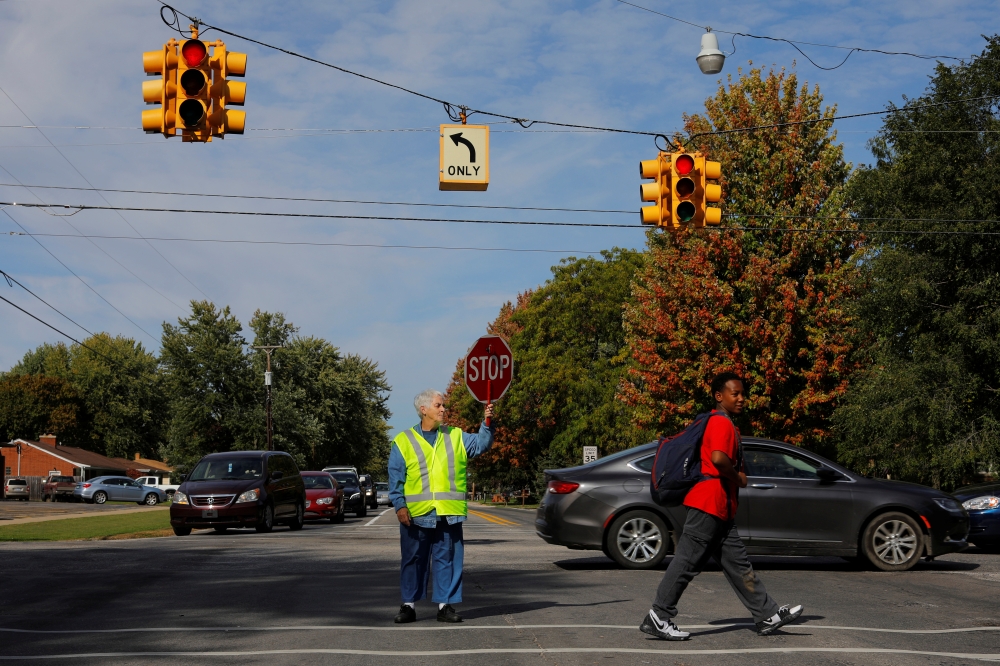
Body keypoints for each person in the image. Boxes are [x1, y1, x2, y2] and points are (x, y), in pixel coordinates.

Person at [640, 372, 803, 640]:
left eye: (742, 393)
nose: (741, 398)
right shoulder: (721, 423)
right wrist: (738, 477)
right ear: (719, 396)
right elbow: (718, 459)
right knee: (686, 562)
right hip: (709, 504)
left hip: (720, 508)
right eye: (734, 394)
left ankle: (766, 615)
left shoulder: (722, 422)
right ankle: (658, 616)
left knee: (739, 565)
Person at [389, 389, 494, 624]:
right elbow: (395, 477)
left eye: (443, 405)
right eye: (439, 405)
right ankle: (408, 606)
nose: (443, 409)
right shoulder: (403, 441)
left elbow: (482, 444)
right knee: (412, 560)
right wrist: (399, 506)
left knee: (447, 559)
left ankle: (445, 606)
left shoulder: (455, 435)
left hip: (448, 514)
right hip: (416, 515)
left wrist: (487, 421)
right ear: (423, 409)